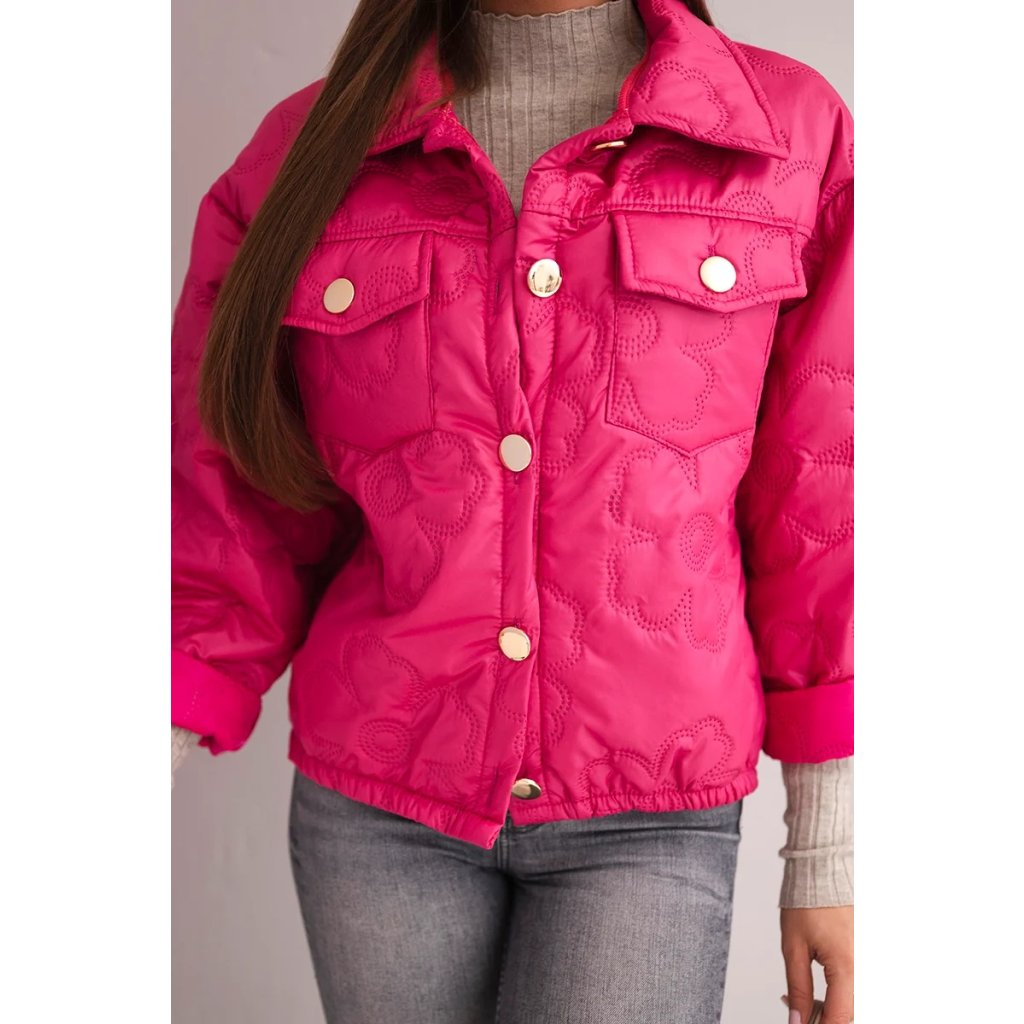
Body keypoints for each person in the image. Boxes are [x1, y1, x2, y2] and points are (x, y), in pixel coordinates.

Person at [171, 1, 853, 1022]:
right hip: (377, 808)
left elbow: (826, 497)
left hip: (647, 815)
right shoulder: (308, 151)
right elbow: (232, 490)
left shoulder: (786, 133)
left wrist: (831, 848)